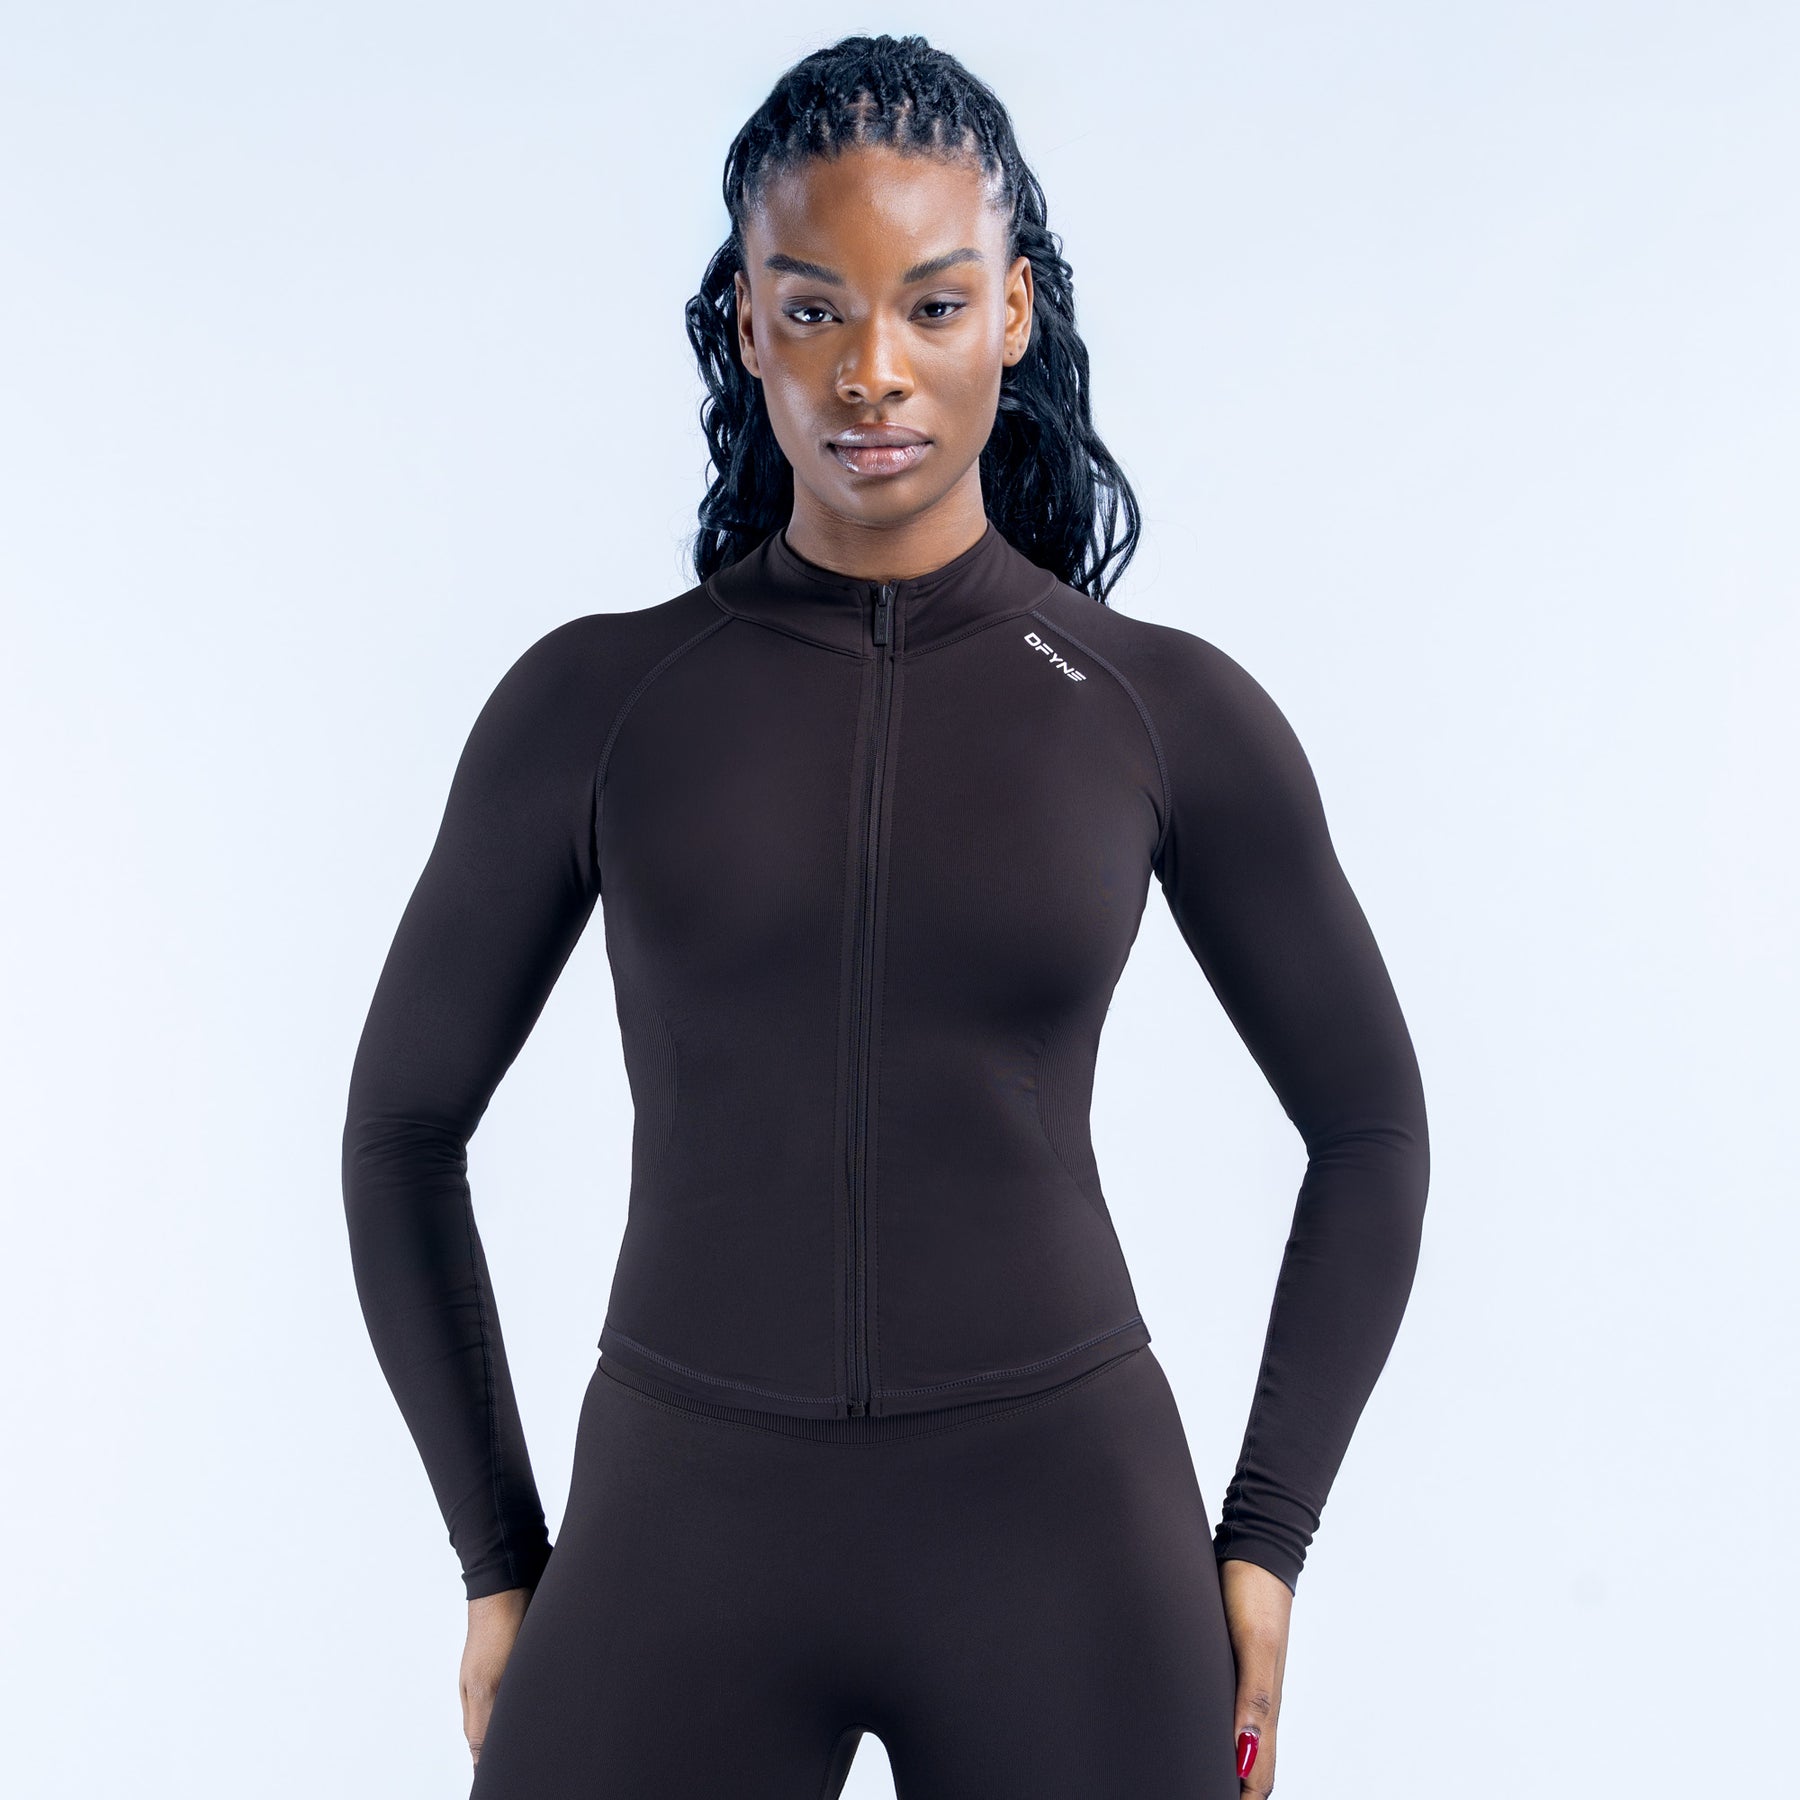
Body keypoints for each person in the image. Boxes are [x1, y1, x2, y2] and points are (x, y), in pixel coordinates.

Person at [341, 32, 1430, 1800]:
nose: (873, 371)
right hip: (682, 1530)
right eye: (814, 308)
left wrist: (1268, 1540)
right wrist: (495, 1556)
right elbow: (400, 1131)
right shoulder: (597, 705)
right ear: (745, 324)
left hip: (1063, 1536)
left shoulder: (1161, 710)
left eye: (931, 306)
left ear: (1014, 311)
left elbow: (1372, 1128)